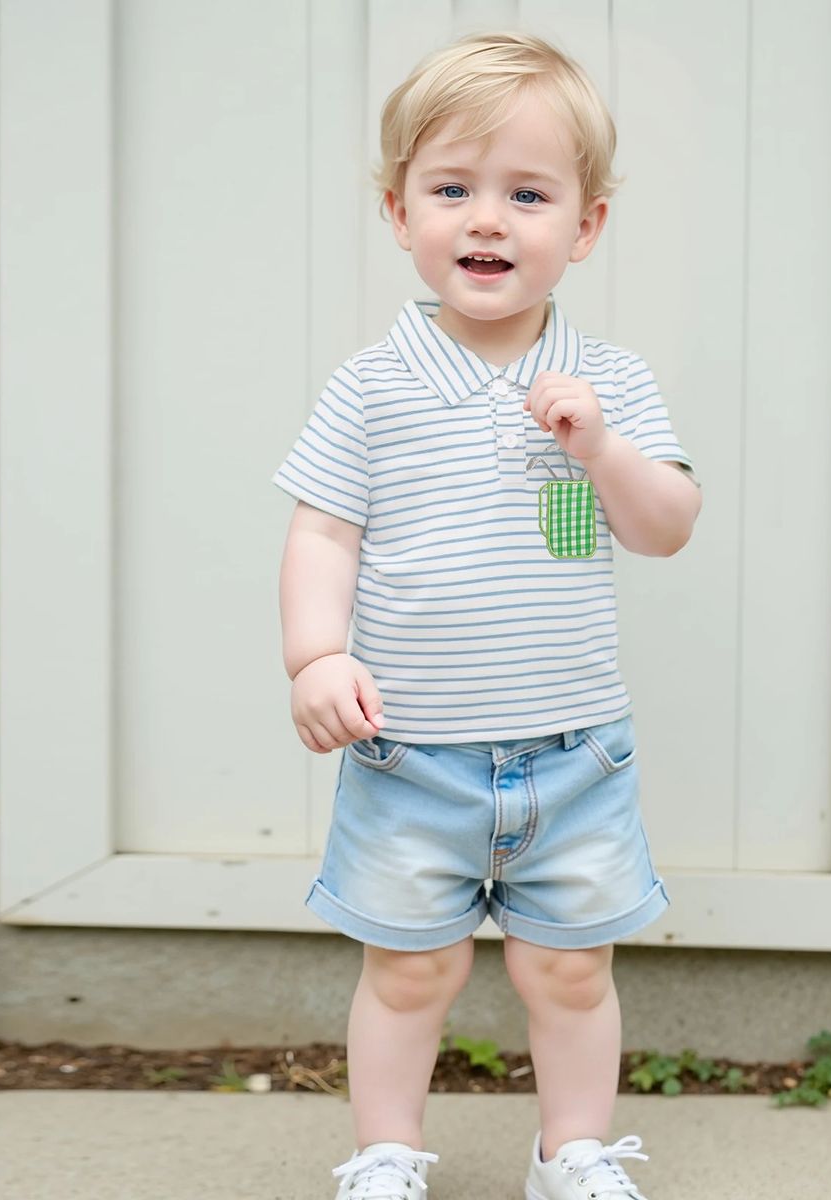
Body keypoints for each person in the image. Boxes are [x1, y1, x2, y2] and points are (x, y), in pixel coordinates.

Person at [273, 29, 702, 1200]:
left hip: (574, 752)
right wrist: (316, 656)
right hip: (411, 751)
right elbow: (323, 532)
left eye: (528, 193)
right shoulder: (373, 385)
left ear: (587, 225)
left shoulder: (606, 382)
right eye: (452, 189)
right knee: (410, 973)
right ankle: (385, 1150)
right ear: (398, 209)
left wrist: (601, 446)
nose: (487, 221)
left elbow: (665, 525)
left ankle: (571, 1147)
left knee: (571, 972)